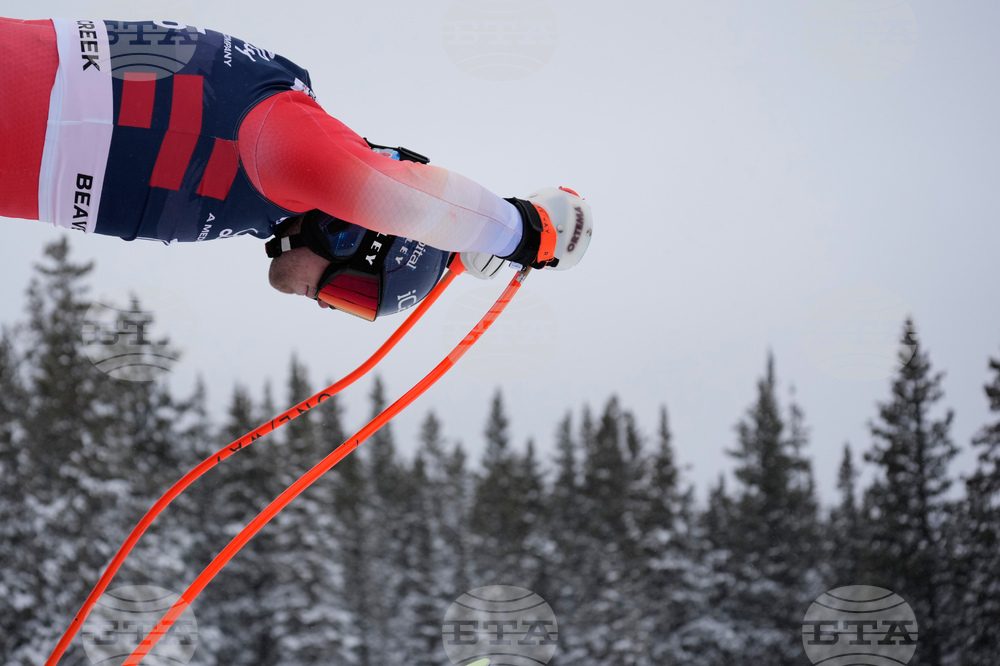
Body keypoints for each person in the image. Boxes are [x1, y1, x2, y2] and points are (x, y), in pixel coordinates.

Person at [0, 16, 593, 319]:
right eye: (352, 291)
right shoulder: (284, 147)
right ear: (350, 232)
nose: (326, 305)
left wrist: (465, 256)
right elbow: (389, 191)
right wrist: (517, 233)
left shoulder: (265, 194)